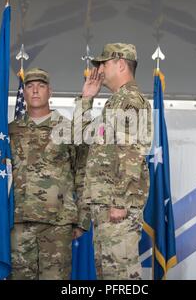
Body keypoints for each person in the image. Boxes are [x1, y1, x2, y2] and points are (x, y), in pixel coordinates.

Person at [74, 43, 152, 279]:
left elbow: (132, 154)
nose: (98, 70)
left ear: (120, 64)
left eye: (103, 63)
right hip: (105, 207)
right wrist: (86, 99)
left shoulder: (131, 101)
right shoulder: (114, 104)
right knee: (109, 275)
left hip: (117, 207)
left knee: (122, 274)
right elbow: (80, 137)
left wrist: (119, 200)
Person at [8, 68, 89, 279]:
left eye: (41, 86)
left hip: (57, 224)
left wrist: (83, 219)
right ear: (23, 92)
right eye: (30, 86)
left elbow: (82, 172)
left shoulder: (68, 130)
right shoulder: (10, 131)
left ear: (50, 92)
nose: (35, 90)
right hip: (18, 222)